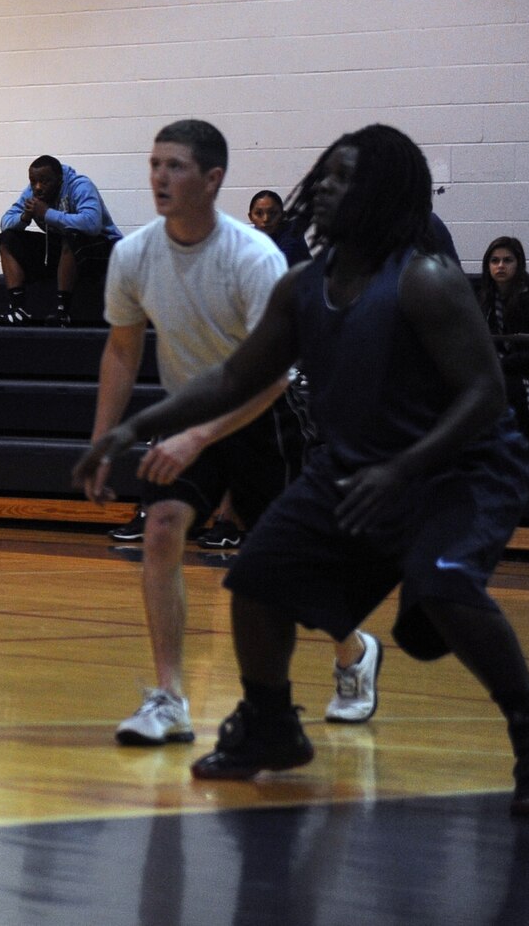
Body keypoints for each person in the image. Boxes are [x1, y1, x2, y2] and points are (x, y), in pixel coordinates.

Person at [75, 124, 529, 813]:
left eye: (343, 179)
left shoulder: (425, 279)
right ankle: (269, 726)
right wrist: (136, 427)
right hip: (356, 467)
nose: (322, 188)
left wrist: (405, 468)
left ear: (381, 194)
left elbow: (485, 396)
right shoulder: (302, 287)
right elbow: (235, 375)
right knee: (261, 576)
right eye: (323, 174)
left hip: (459, 469)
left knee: (441, 585)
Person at [83, 120, 378, 748]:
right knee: (162, 531)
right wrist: (104, 439)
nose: (160, 177)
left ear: (213, 179)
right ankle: (169, 698)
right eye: (154, 163)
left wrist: (198, 437)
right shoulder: (133, 254)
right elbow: (121, 349)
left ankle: (353, 652)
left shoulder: (254, 258)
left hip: (266, 416)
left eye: (177, 166)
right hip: (189, 412)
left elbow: (271, 377)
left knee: (287, 572)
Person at [0, 156, 122, 325]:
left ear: (59, 180)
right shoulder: (32, 192)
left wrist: (47, 213)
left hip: (103, 250)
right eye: (33, 182)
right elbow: (5, 222)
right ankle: (18, 311)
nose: (38, 187)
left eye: (45, 182)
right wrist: (24, 217)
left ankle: (62, 313)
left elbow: (92, 224)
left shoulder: (80, 186)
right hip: (66, 252)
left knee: (69, 234)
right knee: (7, 238)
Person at [477, 236, 529, 450]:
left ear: (518, 264)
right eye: (494, 261)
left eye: (507, 260)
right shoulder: (485, 299)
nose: (500, 266)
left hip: (525, 371)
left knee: (509, 391)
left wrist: (500, 363)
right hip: (498, 368)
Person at [247, 190, 310, 265]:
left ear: (283, 216)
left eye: (273, 213)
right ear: (250, 217)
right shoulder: (249, 238)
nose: (266, 219)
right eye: (259, 213)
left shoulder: (292, 233)